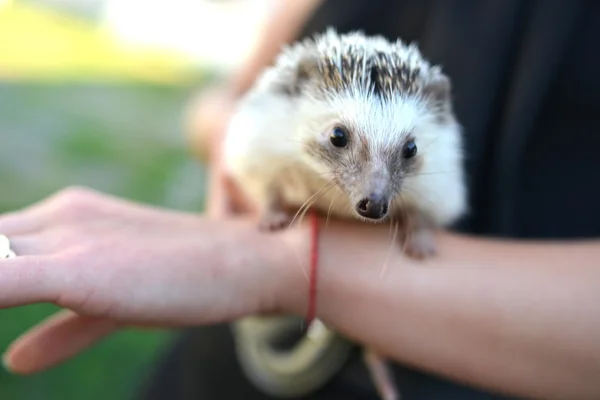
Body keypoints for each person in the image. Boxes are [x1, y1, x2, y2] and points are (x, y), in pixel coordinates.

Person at [1, 0, 600, 399]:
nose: (374, 193)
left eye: (402, 157)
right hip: (232, 361)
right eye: (341, 140)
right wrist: (233, 149)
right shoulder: (289, 106)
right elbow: (224, 103)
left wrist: (284, 265)